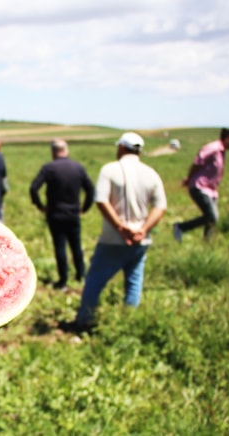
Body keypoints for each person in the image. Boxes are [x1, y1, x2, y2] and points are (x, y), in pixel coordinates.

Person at [60, 132, 167, 333]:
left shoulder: (109, 170)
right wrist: (143, 229)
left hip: (112, 240)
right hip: (140, 240)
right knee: (134, 282)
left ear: (121, 148)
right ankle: (128, 326)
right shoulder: (151, 173)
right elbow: (160, 206)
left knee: (94, 281)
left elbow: (101, 200)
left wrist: (120, 227)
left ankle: (84, 321)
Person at [29, 138, 95, 291]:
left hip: (55, 213)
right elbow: (90, 190)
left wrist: (40, 206)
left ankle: (63, 280)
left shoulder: (49, 168)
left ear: (53, 152)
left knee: (60, 247)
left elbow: (33, 188)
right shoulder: (78, 167)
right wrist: (85, 207)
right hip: (73, 213)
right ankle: (81, 275)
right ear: (67, 150)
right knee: (76, 245)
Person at [172, 128, 229, 242]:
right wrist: (189, 178)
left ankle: (207, 244)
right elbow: (197, 162)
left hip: (211, 190)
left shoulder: (222, 151)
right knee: (212, 216)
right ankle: (181, 227)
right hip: (199, 187)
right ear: (227, 138)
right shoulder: (213, 148)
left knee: (211, 218)